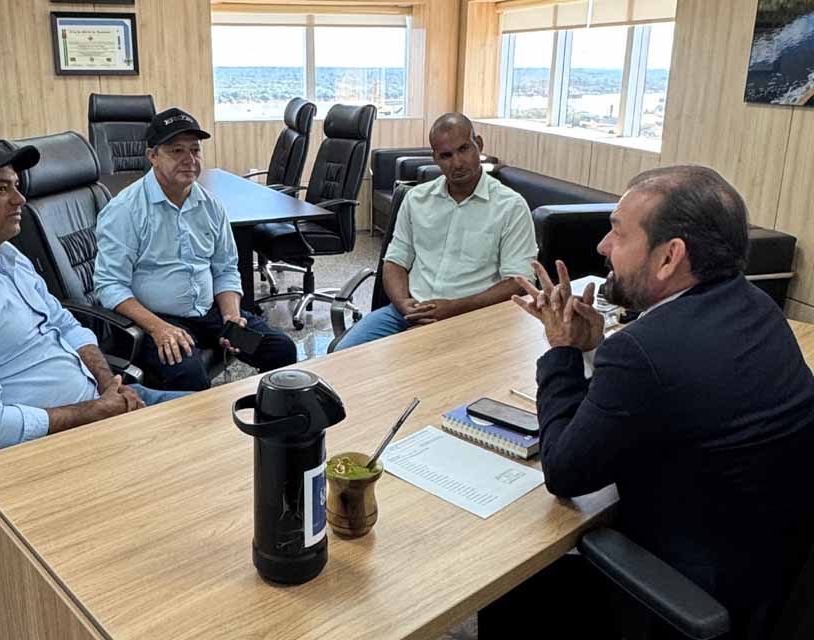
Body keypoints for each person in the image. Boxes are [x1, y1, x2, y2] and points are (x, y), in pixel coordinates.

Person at [484, 165, 814, 639]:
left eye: (617, 232)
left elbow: (564, 471)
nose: (601, 247)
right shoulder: (758, 307)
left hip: (683, 589)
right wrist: (592, 348)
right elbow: (668, 399)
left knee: (511, 571)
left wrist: (560, 351)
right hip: (765, 570)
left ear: (668, 258)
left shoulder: (643, 351)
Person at [0, 130, 189, 459]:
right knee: (208, 465)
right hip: (46, 453)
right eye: (1, 189)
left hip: (99, 407)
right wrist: (97, 411)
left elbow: (66, 325)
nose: (19, 199)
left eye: (16, 186)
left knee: (219, 419)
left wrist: (107, 387)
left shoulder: (6, 255)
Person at [93, 107, 296, 391]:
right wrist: (157, 328)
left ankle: (266, 426)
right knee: (190, 376)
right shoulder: (125, 210)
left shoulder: (210, 206)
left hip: (210, 314)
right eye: (176, 151)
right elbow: (109, 285)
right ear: (153, 156)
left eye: (195, 151)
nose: (189, 160)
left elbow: (225, 269)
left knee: (281, 350)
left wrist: (231, 316)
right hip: (156, 319)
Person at [333, 112, 537, 351]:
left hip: (470, 318)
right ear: (435, 158)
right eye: (446, 155)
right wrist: (404, 304)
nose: (457, 163)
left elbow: (518, 282)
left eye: (464, 149)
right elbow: (395, 261)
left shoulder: (510, 206)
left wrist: (454, 308)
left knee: (414, 366)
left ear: (478, 145)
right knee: (343, 355)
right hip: (406, 312)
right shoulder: (417, 199)